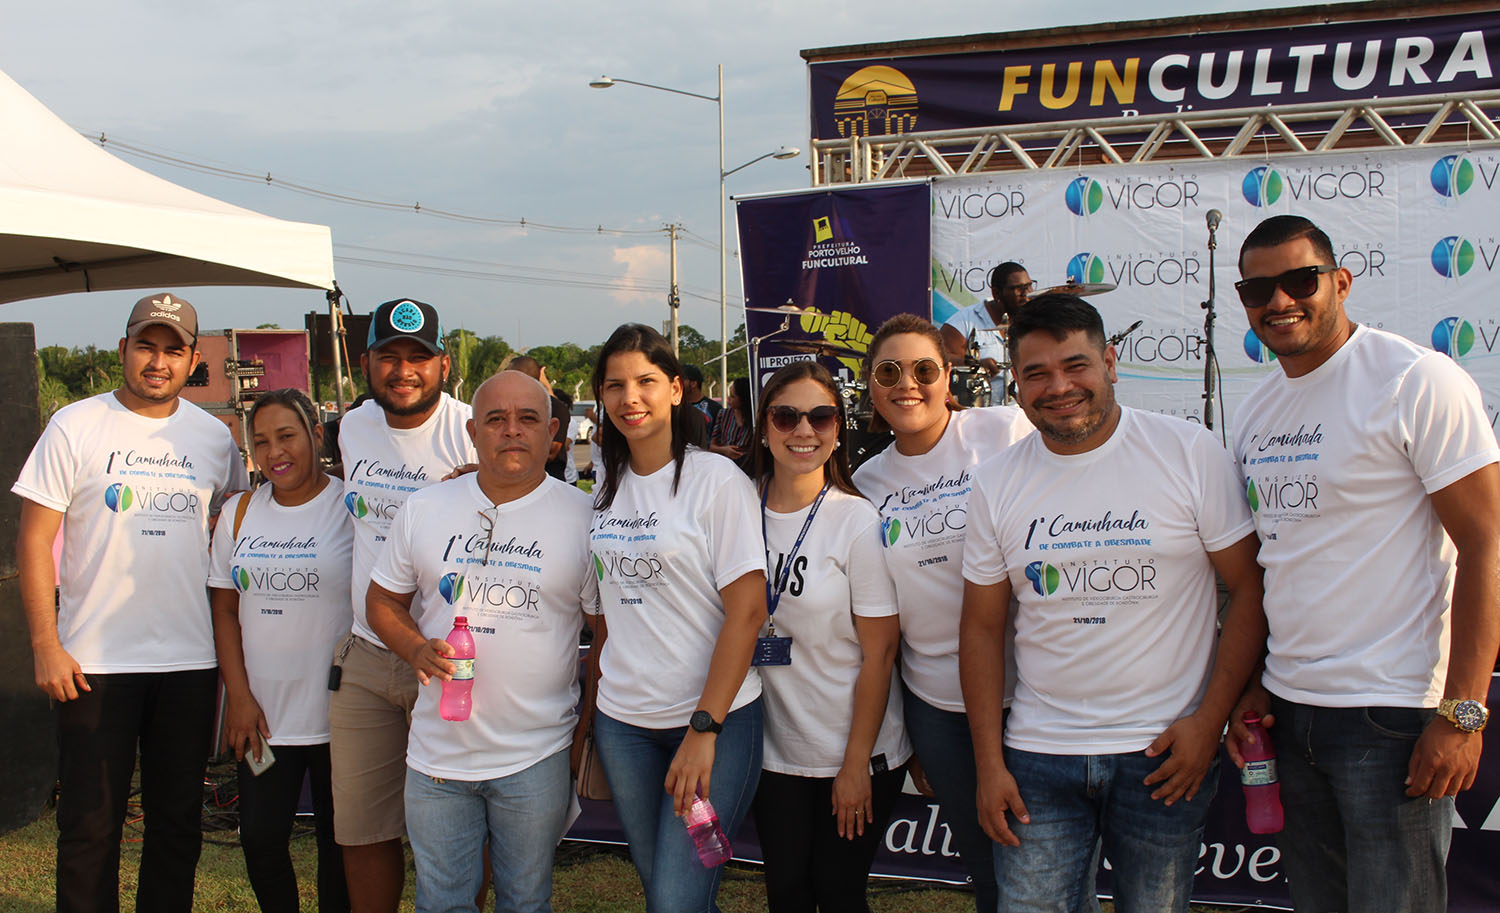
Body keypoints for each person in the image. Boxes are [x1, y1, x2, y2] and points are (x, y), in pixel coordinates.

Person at [1225, 215, 1500, 913]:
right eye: (1259, 289)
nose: (1279, 301)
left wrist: (1464, 713)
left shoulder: (1415, 379)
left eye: (1299, 280)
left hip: (1393, 712)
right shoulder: (1259, 410)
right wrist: (1257, 682)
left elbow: (1486, 543)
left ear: (1340, 282)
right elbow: (1281, 562)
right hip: (1291, 711)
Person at [959, 295, 1265, 913]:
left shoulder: (1188, 452)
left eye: (1077, 366)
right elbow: (982, 629)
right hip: (1037, 760)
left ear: (1111, 362)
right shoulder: (996, 482)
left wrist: (1208, 724)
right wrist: (989, 764)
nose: (1059, 387)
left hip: (1164, 753)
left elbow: (1252, 590)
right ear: (1014, 383)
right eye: (1037, 373)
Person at [14, 292, 250, 913]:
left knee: (176, 827)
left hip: (188, 665)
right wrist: (45, 643)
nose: (157, 361)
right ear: (123, 349)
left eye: (173, 349)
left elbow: (235, 531)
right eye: (146, 345)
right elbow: (34, 541)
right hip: (95, 664)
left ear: (194, 360)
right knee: (91, 827)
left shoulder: (213, 438)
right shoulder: (74, 424)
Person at [366, 371, 596, 913]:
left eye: (527, 419)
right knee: (442, 902)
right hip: (437, 758)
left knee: (525, 902)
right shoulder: (426, 507)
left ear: (554, 434)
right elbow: (380, 602)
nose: (511, 431)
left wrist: (583, 735)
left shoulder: (585, 519)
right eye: (495, 419)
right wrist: (415, 648)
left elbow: (604, 637)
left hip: (537, 754)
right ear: (472, 432)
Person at [851, 313, 1031, 913]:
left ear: (947, 374)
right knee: (986, 864)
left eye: (924, 369)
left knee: (1043, 864)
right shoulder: (865, 485)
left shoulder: (1003, 430)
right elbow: (882, 622)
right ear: (871, 385)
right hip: (939, 707)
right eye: (889, 371)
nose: (908, 384)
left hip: (1032, 694)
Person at [587, 324, 767, 913]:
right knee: (664, 889)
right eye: (615, 385)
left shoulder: (716, 481)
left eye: (645, 381)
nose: (629, 398)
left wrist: (703, 729)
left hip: (716, 725)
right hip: (625, 728)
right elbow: (606, 615)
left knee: (675, 900)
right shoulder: (602, 493)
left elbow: (748, 612)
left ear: (676, 390)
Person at [331, 297, 477, 913]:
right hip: (367, 653)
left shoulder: (475, 428)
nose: (403, 370)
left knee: (459, 823)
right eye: (389, 356)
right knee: (363, 827)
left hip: (447, 660)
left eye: (419, 357)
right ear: (365, 362)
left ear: (444, 364)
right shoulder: (353, 426)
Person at [748, 362, 909, 913]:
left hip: (854, 748)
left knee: (838, 894)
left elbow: (880, 652)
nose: (803, 430)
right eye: (786, 415)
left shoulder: (856, 520)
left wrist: (854, 766)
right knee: (788, 894)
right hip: (772, 750)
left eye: (820, 416)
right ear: (764, 423)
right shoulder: (735, 506)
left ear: (839, 428)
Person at [209, 389, 352, 913]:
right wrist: (239, 698)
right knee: (261, 839)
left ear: (316, 435)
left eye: (287, 436)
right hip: (264, 716)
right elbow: (224, 610)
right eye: (262, 441)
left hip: (341, 716)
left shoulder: (349, 505)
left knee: (340, 846)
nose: (275, 453)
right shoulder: (240, 512)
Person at [940, 262, 1033, 376]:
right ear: (996, 292)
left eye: (1028, 286)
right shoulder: (963, 322)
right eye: (1018, 289)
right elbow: (939, 358)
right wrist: (975, 365)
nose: (1026, 294)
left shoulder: (1035, 321)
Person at [504, 355, 571, 481]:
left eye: (507, 374)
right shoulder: (505, 406)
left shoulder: (554, 407)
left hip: (546, 483)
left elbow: (551, 452)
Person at [709, 376, 754, 470]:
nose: (728, 399)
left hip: (748, 467)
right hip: (725, 466)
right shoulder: (723, 414)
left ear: (743, 399)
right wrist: (724, 450)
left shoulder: (755, 418)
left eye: (733, 396)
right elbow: (712, 446)